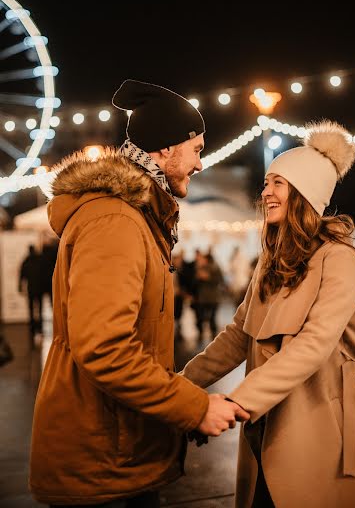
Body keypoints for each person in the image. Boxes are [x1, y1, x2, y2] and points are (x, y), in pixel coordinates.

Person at [29, 80, 249, 508]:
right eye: (197, 149)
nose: (201, 164)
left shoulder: (135, 217)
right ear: (166, 149)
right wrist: (194, 407)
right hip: (103, 455)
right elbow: (106, 347)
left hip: (119, 446)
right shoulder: (116, 220)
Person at [183, 120, 355, 508]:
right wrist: (178, 388)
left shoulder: (339, 258)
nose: (266, 192)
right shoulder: (271, 261)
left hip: (325, 422)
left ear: (305, 193)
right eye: (266, 182)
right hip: (270, 415)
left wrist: (237, 402)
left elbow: (313, 344)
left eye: (278, 182)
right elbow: (238, 336)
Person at [19, 245, 44, 336]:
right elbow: (43, 275)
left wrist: (20, 287)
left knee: (31, 308)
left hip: (31, 289)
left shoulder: (26, 261)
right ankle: (40, 325)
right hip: (39, 288)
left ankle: (32, 324)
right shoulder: (40, 260)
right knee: (39, 307)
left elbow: (22, 276)